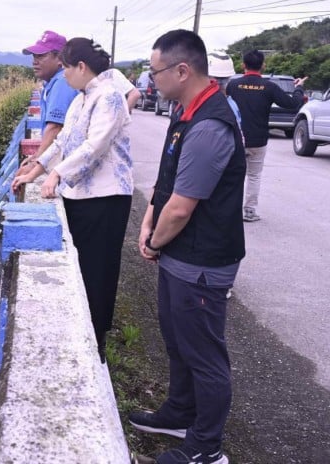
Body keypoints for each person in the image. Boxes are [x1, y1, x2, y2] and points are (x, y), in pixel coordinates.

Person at [131, 30, 245, 464]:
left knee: (205, 354)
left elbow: (181, 208)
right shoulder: (184, 111)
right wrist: (147, 222)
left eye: (155, 71)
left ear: (182, 70)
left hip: (201, 261)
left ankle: (207, 449)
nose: (150, 79)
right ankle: (179, 413)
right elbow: (167, 184)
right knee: (178, 341)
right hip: (179, 255)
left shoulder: (211, 123)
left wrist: (155, 240)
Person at [11, 37, 132, 361]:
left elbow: (94, 147)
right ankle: (83, 335)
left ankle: (96, 345)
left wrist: (56, 175)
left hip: (106, 198)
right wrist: (35, 171)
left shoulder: (109, 97)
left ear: (81, 66)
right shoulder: (83, 97)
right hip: (81, 196)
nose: (64, 75)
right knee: (81, 267)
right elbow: (64, 140)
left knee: (99, 272)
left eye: (66, 67)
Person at [225, 50, 307, 222]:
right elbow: (292, 104)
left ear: (243, 65)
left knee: (233, 176)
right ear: (263, 65)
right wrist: (298, 87)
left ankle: (229, 212)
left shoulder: (233, 85)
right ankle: (249, 211)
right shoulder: (269, 87)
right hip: (258, 140)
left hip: (235, 139)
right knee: (254, 175)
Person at [16, 30, 78, 174]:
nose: (34, 61)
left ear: (60, 58)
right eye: (34, 56)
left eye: (41, 55)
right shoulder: (54, 82)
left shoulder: (62, 82)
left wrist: (37, 160)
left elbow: (55, 127)